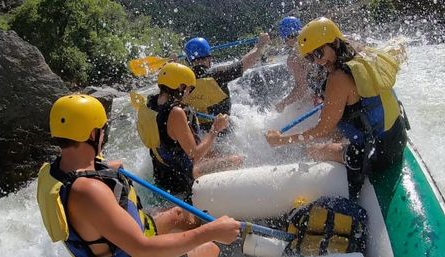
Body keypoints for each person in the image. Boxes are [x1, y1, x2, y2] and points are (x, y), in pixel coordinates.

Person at [37, 93, 240, 257]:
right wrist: (212, 231)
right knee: (210, 248)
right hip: (136, 250)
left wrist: (108, 169)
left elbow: (92, 167)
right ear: (92, 134)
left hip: (121, 239)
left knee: (180, 214)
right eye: (102, 129)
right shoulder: (89, 191)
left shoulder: (57, 169)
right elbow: (142, 249)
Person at [265, 17, 408, 199]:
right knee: (336, 131)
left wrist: (281, 140)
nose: (317, 61)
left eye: (318, 53)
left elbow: (323, 129)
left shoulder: (337, 78)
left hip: (376, 155)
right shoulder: (363, 54)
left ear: (333, 42)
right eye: (310, 57)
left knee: (314, 149)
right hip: (397, 135)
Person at [147, 63, 243, 203]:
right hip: (180, 178)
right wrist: (215, 129)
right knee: (237, 160)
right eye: (190, 89)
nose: (189, 94)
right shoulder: (176, 112)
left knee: (216, 153)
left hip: (162, 172)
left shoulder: (150, 104)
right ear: (180, 87)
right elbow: (195, 155)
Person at [184, 33, 271, 132]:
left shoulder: (183, 83)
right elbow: (244, 63)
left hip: (199, 134)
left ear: (189, 61)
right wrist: (260, 46)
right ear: (209, 56)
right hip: (224, 132)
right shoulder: (217, 74)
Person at [274, 16, 326, 113]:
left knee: (303, 104)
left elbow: (302, 88)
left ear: (285, 39)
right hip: (338, 81)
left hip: (324, 92)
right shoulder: (319, 40)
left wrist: (283, 103)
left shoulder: (293, 59)